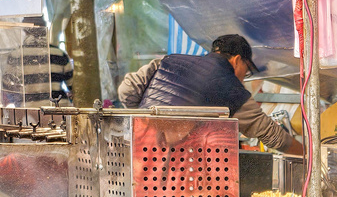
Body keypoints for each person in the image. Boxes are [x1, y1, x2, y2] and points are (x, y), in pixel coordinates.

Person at [117, 34, 304, 155]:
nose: (242, 79)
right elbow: (272, 136)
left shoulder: (168, 61)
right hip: (181, 169)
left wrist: (147, 121)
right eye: (246, 71)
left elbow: (126, 90)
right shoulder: (232, 89)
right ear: (237, 60)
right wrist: (307, 156)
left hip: (138, 151)